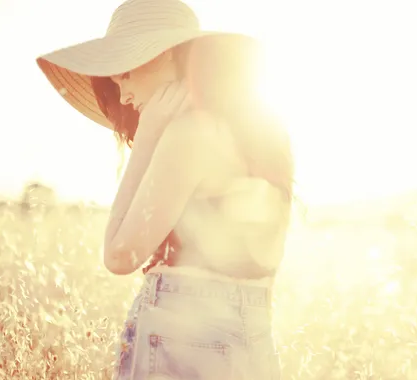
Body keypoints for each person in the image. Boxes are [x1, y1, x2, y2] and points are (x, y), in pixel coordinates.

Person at [36, 0, 293, 378]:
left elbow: (119, 256)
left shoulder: (188, 133)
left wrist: (150, 133)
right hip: (249, 334)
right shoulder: (259, 133)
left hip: (184, 336)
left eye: (124, 72)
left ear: (169, 54)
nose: (121, 94)